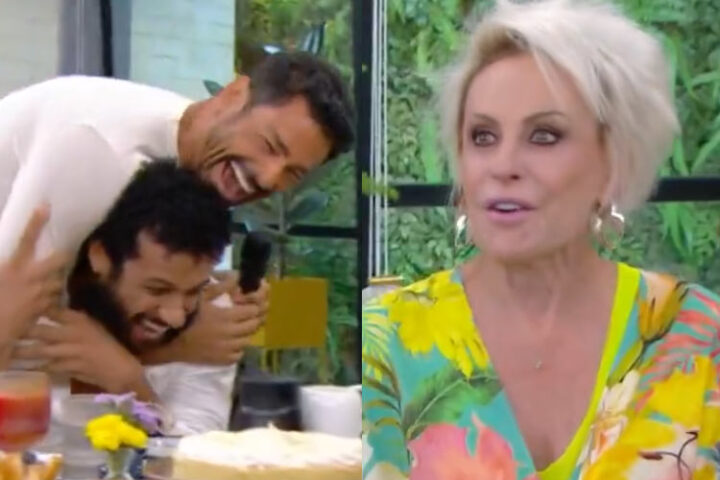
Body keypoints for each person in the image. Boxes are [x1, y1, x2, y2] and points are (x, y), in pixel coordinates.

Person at [362, 1, 720, 480]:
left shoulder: (697, 336)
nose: (503, 165)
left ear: (613, 165)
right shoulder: (386, 342)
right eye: (483, 136)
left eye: (544, 136)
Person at [0, 51, 354, 368]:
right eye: (269, 145)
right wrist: (175, 346)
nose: (268, 177)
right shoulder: (96, 154)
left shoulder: (198, 155)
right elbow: (12, 334)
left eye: (293, 173)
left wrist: (203, 293)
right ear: (232, 96)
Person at [15, 161, 255, 435]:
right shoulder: (34, 299)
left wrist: (130, 383)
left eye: (193, 291)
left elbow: (198, 448)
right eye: (157, 289)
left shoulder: (213, 325)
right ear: (101, 257)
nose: (176, 317)